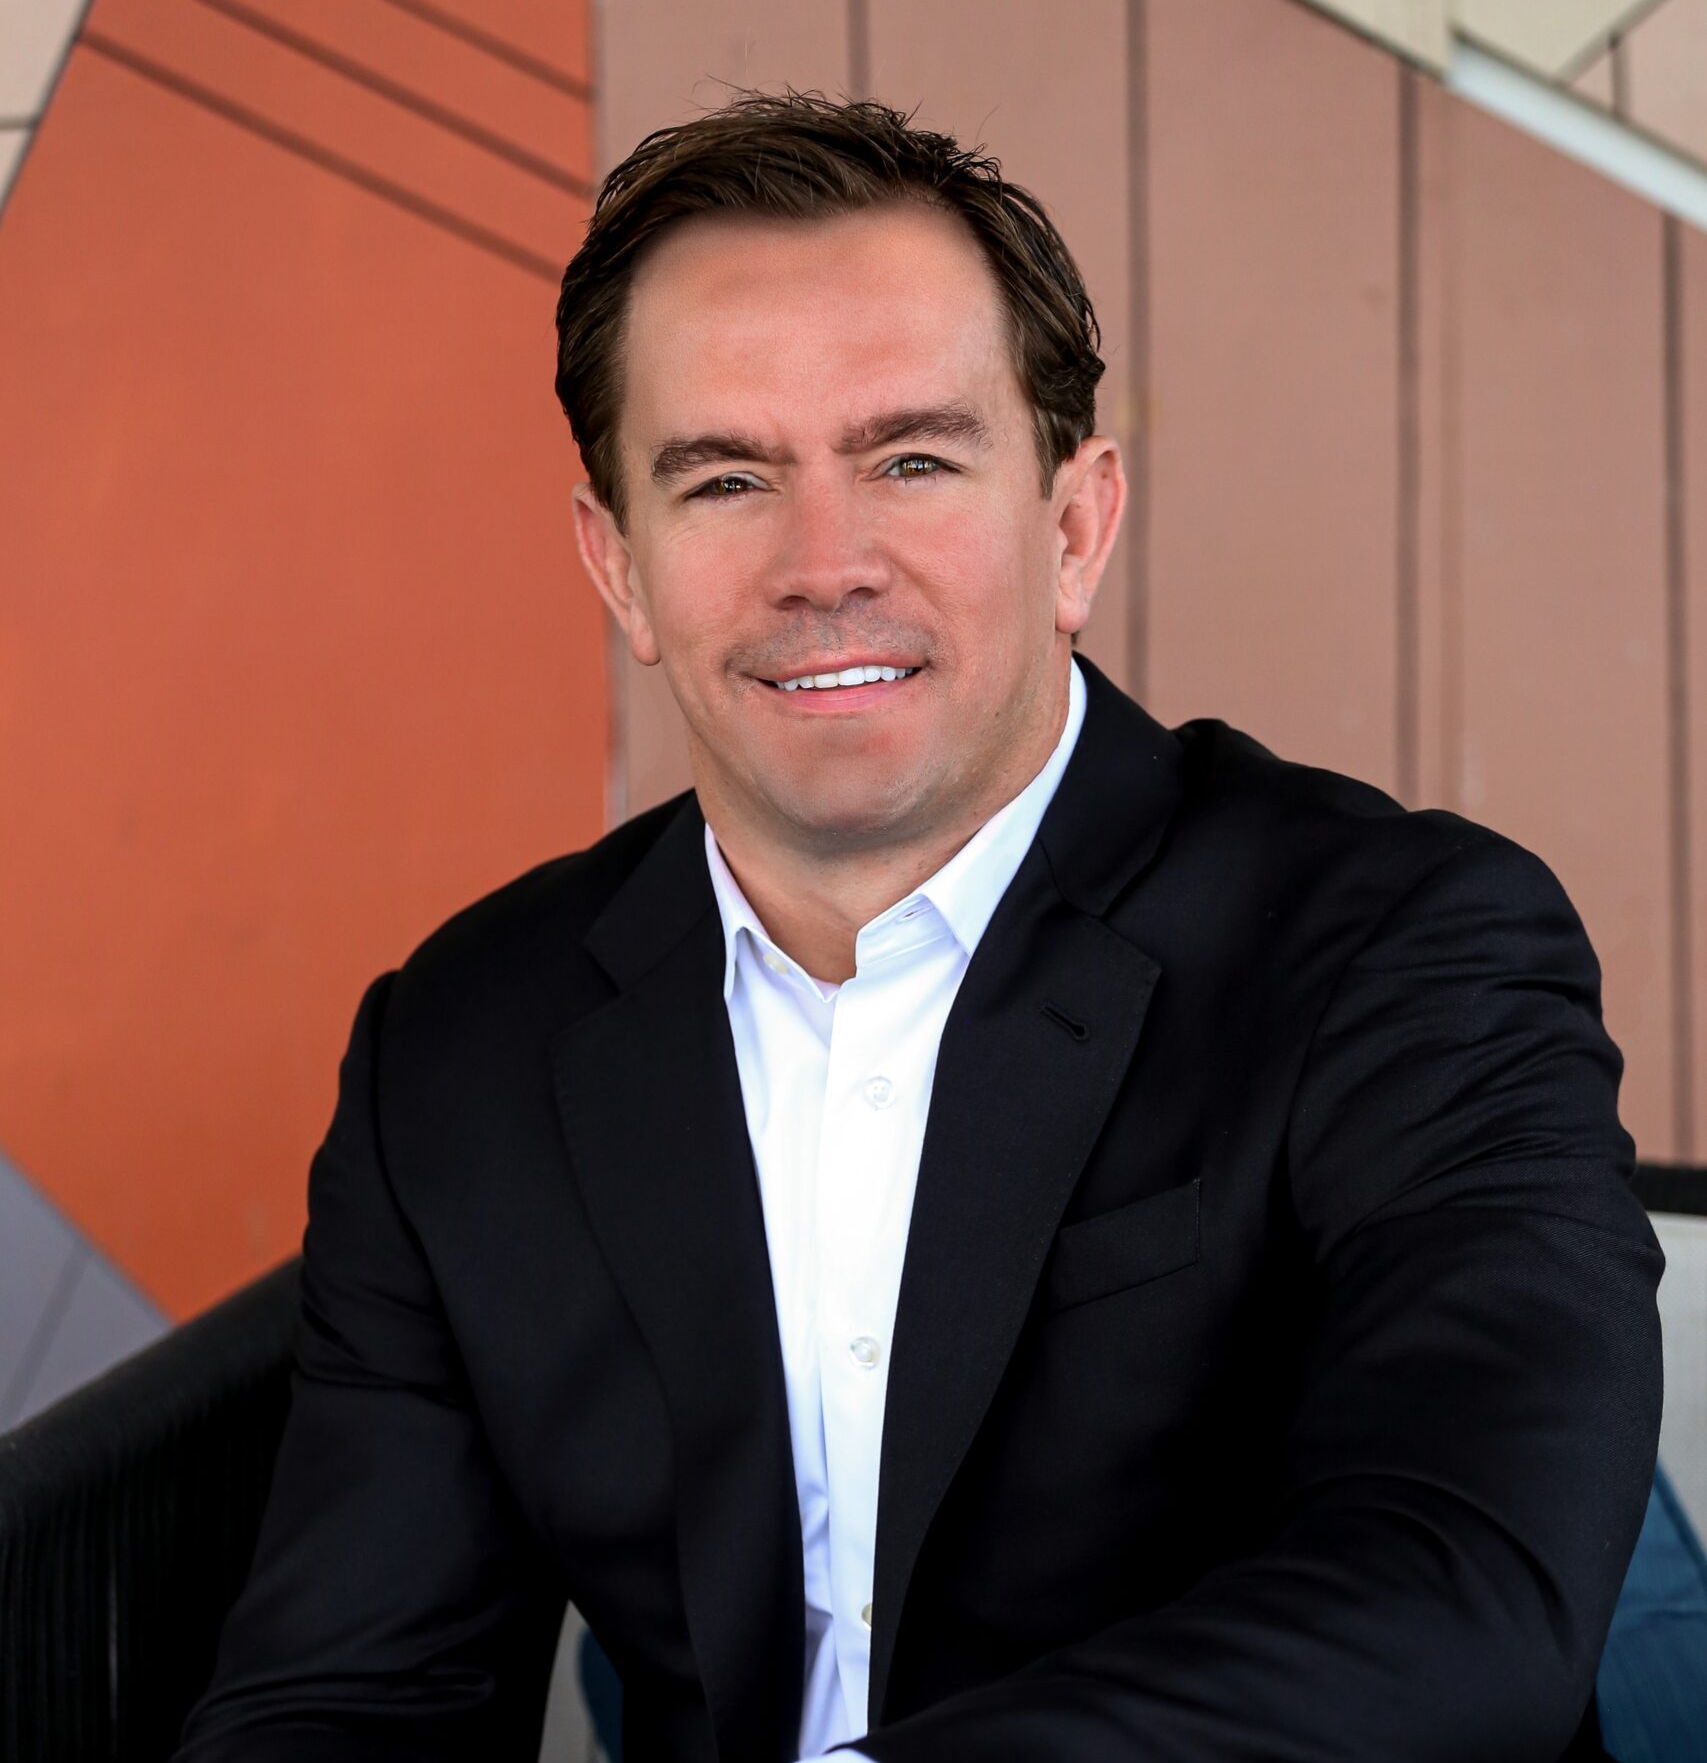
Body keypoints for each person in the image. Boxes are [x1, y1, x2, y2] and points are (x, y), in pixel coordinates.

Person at [174, 91, 1663, 1763]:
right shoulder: (465, 1044)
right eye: (727, 479)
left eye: (911, 461)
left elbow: (1465, 1597)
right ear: (621, 568)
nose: (826, 564)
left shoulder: (1406, 950)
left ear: (1074, 526)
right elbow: (348, 1699)